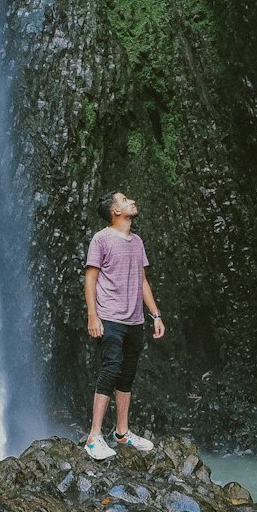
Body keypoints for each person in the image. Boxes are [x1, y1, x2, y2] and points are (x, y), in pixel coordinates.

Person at [83, 190, 165, 459]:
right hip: (110, 318)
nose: (131, 200)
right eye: (124, 199)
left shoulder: (137, 242)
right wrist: (93, 316)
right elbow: (91, 278)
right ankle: (94, 436)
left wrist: (156, 315)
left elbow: (142, 281)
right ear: (115, 211)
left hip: (135, 320)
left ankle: (122, 433)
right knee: (111, 369)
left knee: (127, 374)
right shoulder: (101, 239)